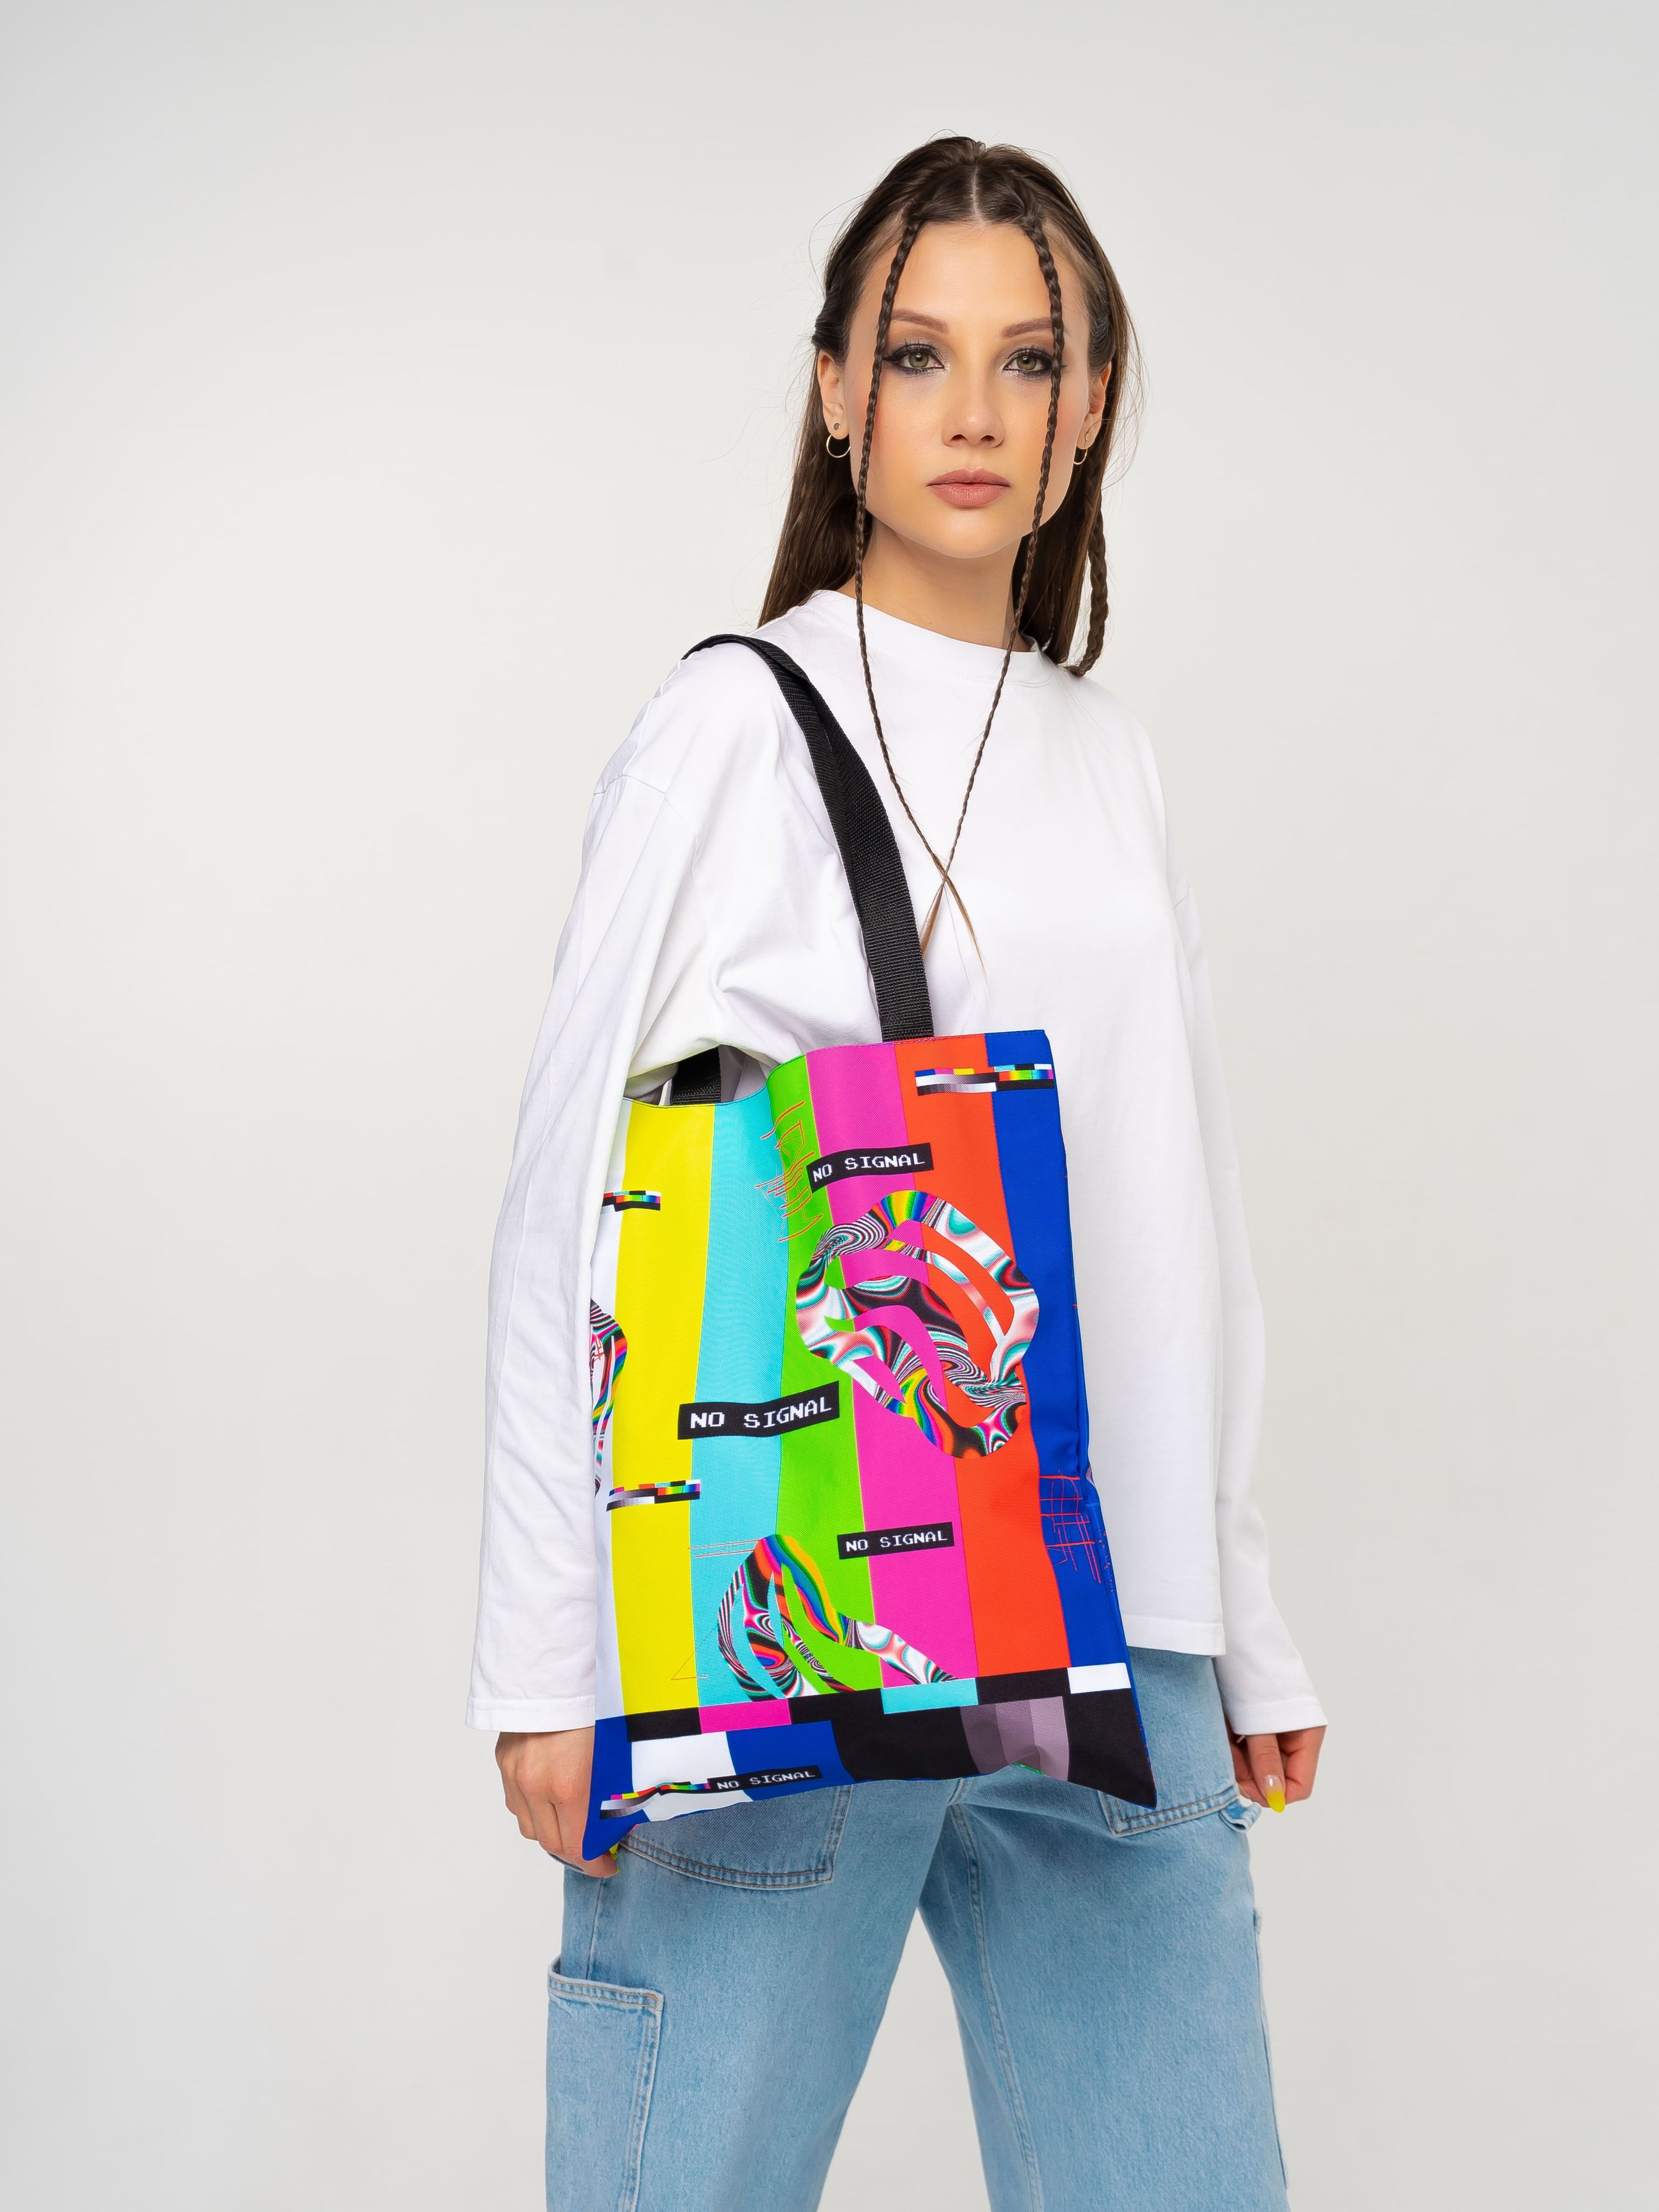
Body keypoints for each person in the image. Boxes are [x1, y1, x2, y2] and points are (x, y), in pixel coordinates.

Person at [469, 135, 1327, 2212]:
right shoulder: (731, 728)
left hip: (1122, 1617)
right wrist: (546, 1661)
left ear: (1089, 404)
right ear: (838, 388)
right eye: (920, 353)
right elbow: (571, 1196)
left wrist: (1246, 1614)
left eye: (1029, 360)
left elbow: (1183, 1200)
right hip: (802, 1603)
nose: (974, 409)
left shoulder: (1107, 758)